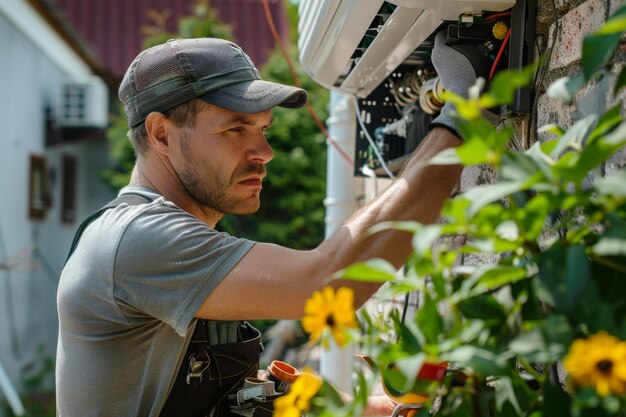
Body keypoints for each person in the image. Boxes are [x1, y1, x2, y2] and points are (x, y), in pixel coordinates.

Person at [56, 32, 487, 417]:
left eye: (264, 129)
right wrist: (461, 115)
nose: (264, 151)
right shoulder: (136, 238)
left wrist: (370, 409)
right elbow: (325, 287)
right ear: (161, 134)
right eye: (236, 129)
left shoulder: (174, 239)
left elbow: (219, 394)